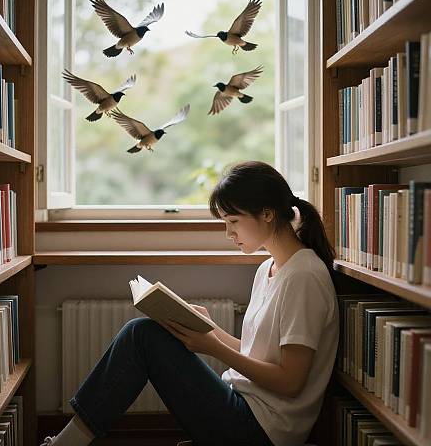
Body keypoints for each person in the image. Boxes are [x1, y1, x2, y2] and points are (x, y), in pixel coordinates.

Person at [41, 161, 339, 446]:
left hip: (262, 430)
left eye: (233, 221)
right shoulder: (269, 269)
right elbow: (258, 354)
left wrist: (212, 347)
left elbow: (290, 381)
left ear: (267, 214)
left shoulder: (305, 276)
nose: (229, 233)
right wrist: (211, 331)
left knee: (141, 335)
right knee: (143, 333)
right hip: (242, 401)